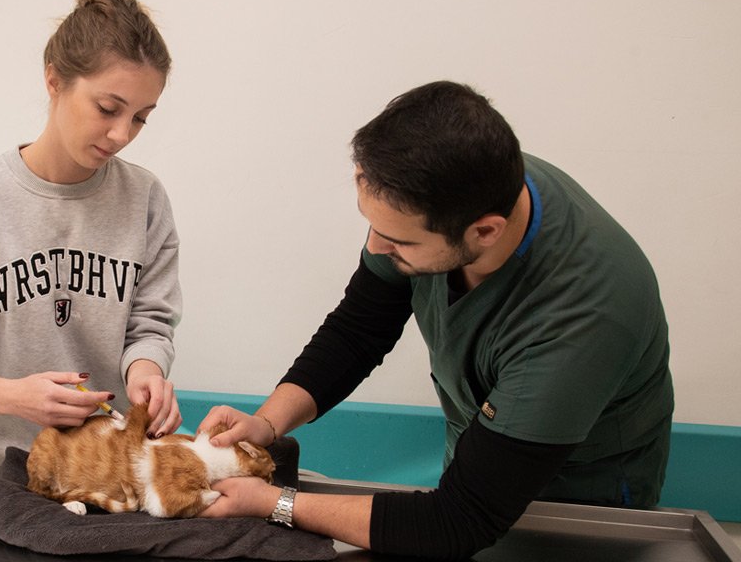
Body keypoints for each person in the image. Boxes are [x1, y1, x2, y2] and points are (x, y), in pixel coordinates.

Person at [198, 81, 673, 559]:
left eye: (399, 242)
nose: (379, 249)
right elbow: (359, 327)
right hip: (474, 466)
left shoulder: (582, 319)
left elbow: (459, 521)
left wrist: (273, 503)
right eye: (375, 228)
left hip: (575, 506)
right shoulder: (458, 187)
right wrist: (265, 424)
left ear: (485, 232)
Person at [0, 0, 183, 454]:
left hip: (109, 469)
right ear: (54, 79)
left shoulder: (146, 199)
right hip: (2, 468)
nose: (122, 134)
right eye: (107, 108)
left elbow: (150, 325)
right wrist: (10, 396)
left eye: (140, 117)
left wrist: (147, 373)